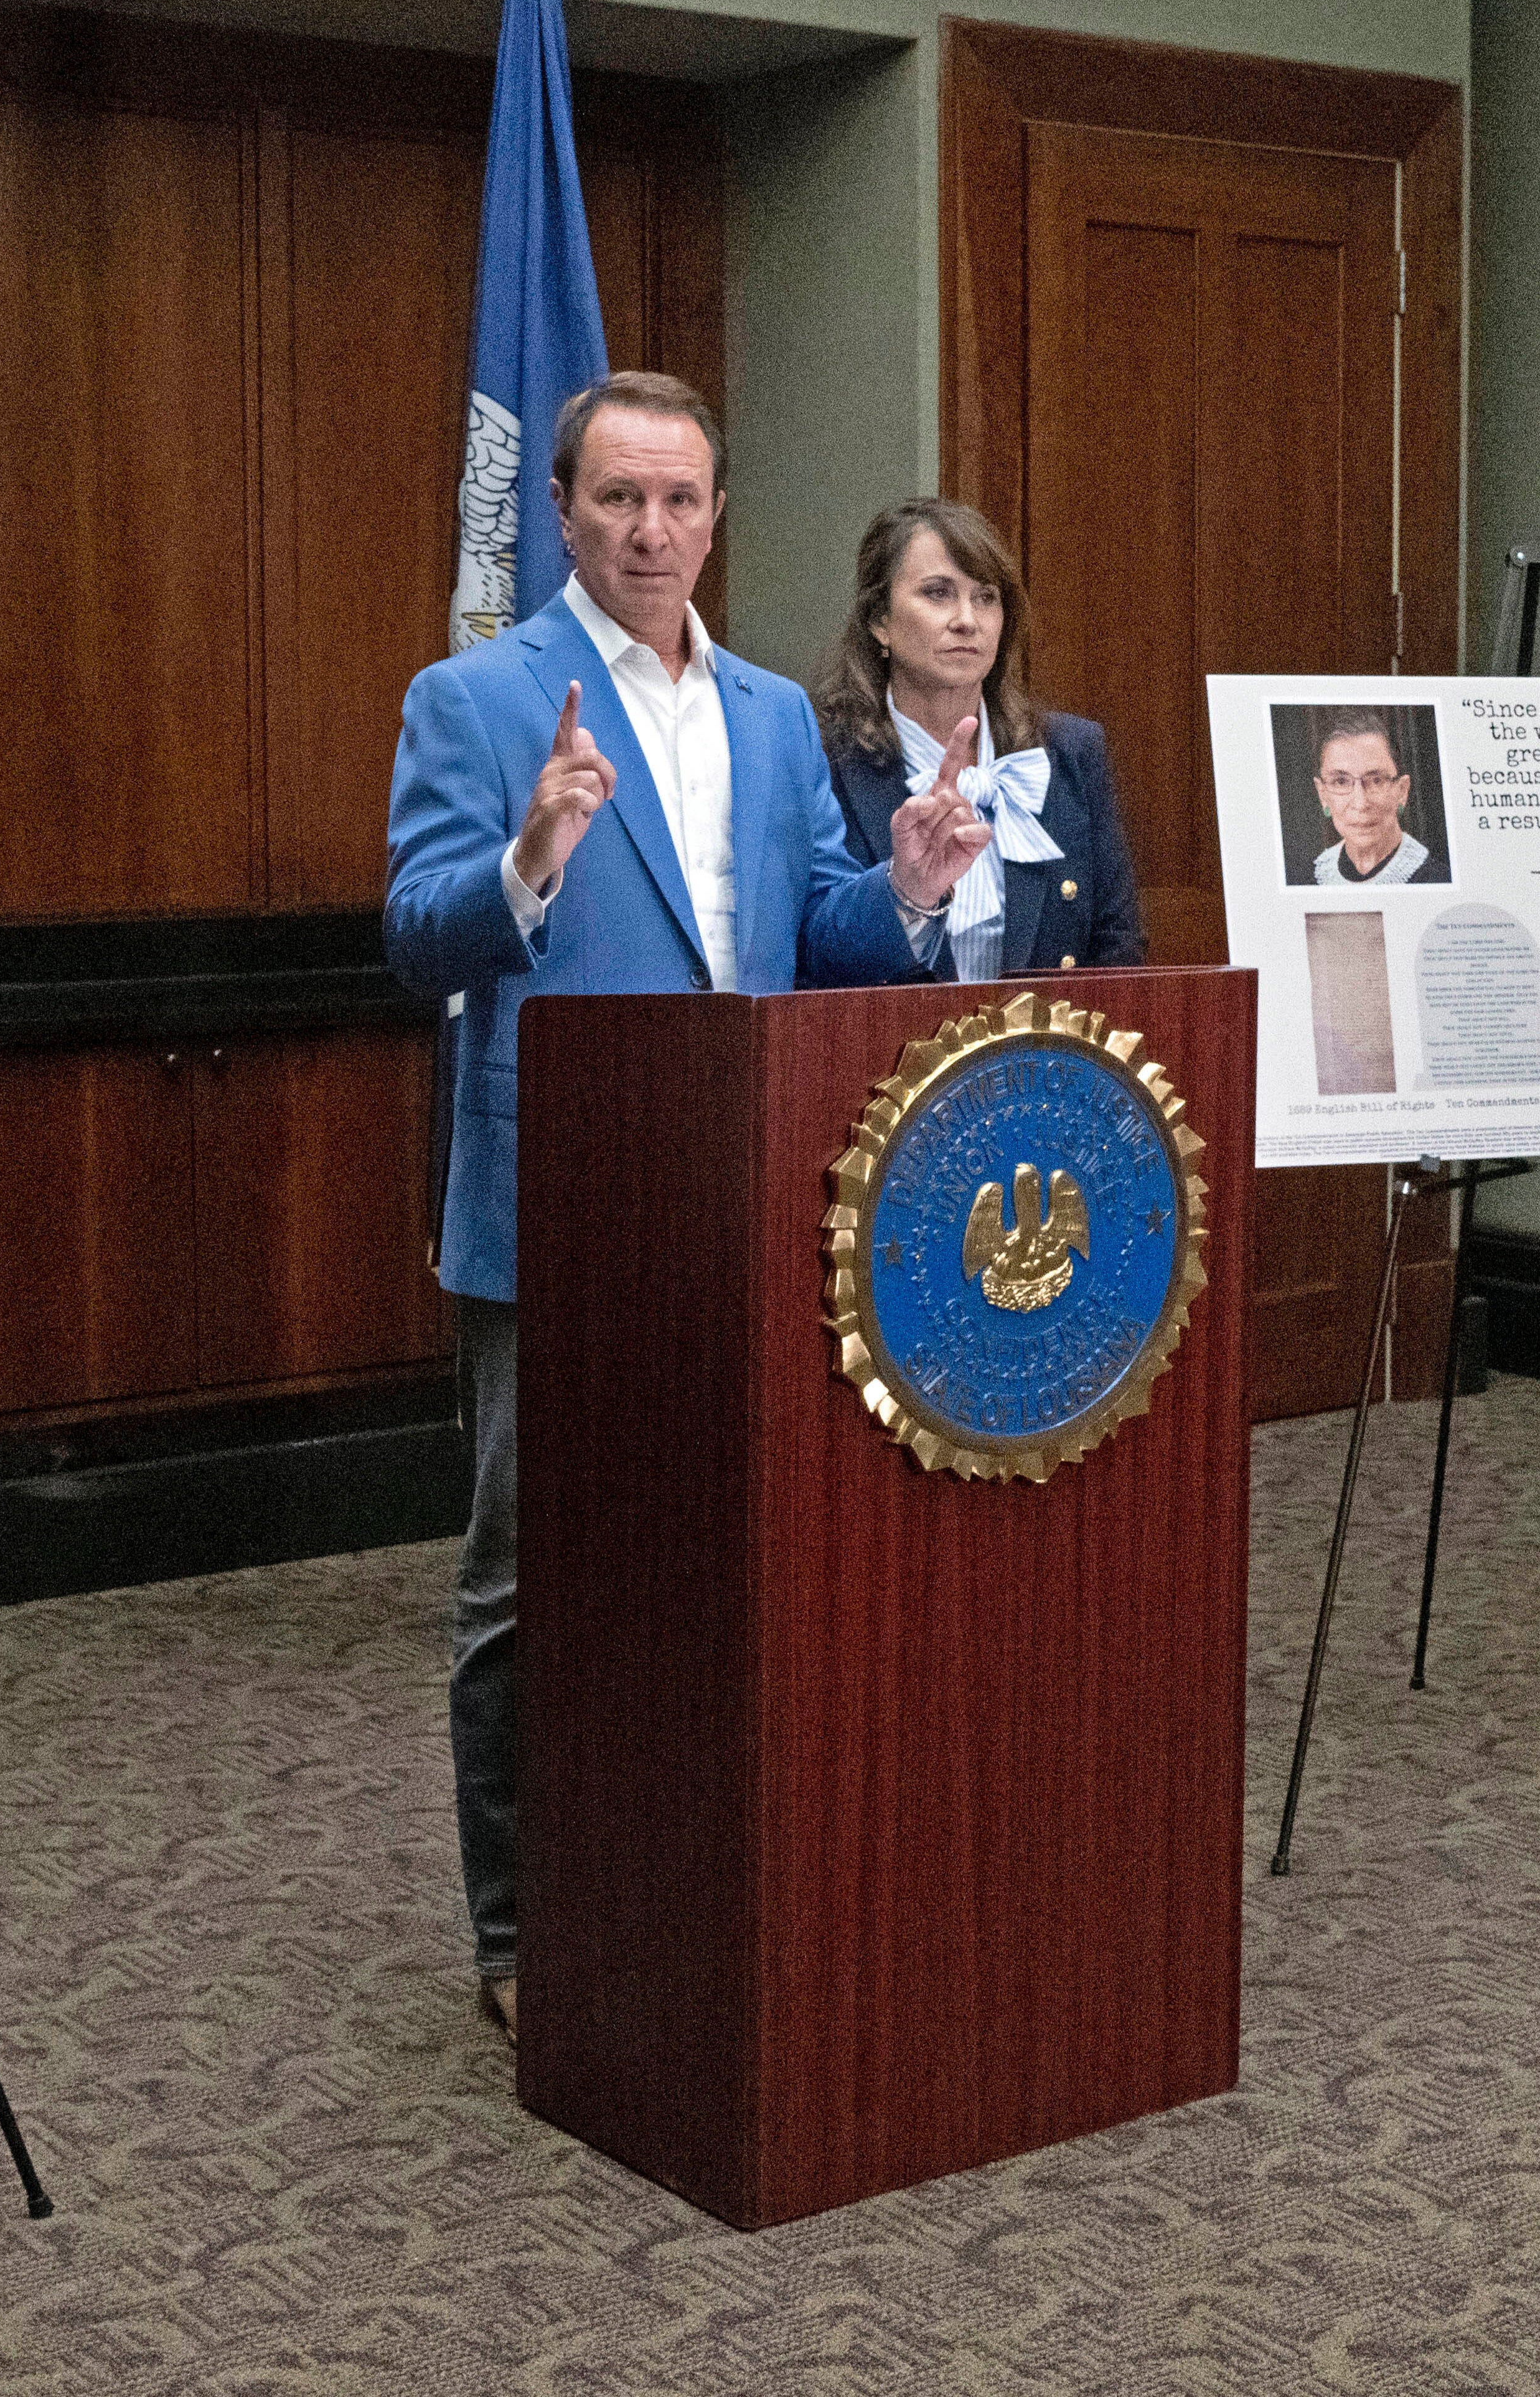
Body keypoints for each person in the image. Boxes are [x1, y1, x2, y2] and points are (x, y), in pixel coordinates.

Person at [385, 369, 987, 2045]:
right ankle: (517, 1931)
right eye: (620, 499)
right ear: (565, 511)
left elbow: (807, 927)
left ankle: (693, 1876)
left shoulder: (780, 713)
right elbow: (417, 933)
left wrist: (909, 892)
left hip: (754, 1191)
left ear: (719, 516)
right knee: (530, 1579)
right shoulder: (479, 695)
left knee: (734, 1554)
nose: (653, 530)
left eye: (682, 500)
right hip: (561, 1202)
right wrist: (531, 856)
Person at [814, 499, 1145, 980]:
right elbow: (813, 963)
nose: (967, 619)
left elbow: (1118, 949)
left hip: (1043, 1053)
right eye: (938, 594)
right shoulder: (824, 759)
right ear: (878, 621)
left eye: (986, 597)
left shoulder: (1070, 750)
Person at [1309, 708, 1447, 885]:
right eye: (1341, 782)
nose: (1361, 804)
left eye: (1376, 781)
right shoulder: (1312, 878)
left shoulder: (1437, 880)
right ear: (1323, 795)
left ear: (1402, 791)